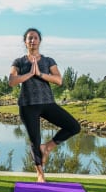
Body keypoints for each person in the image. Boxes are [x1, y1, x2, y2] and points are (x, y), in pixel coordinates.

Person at [9, 28, 81, 182]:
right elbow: (12, 81)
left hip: (47, 103)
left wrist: (40, 74)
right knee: (34, 140)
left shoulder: (48, 61)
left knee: (74, 127)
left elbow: (59, 80)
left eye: (35, 38)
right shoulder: (19, 62)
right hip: (27, 105)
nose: (32, 41)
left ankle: (47, 147)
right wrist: (29, 73)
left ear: (39, 41)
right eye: (29, 38)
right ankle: (40, 174)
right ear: (25, 42)